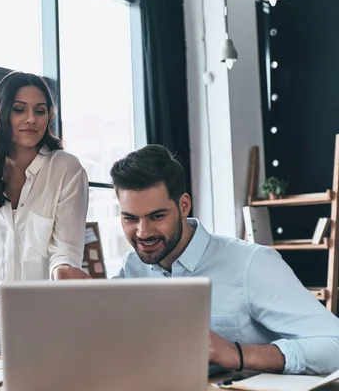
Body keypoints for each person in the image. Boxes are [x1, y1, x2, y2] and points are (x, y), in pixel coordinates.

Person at [111, 144, 339, 375]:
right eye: (130, 218)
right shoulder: (131, 267)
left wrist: (238, 353)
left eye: (156, 216)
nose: (143, 232)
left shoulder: (252, 264)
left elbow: (335, 344)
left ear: (184, 206)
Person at [0, 72, 89, 358]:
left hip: (50, 319)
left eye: (40, 111)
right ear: (2, 114)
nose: (31, 119)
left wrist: (68, 276)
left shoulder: (67, 169)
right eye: (19, 109)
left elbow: (65, 252)